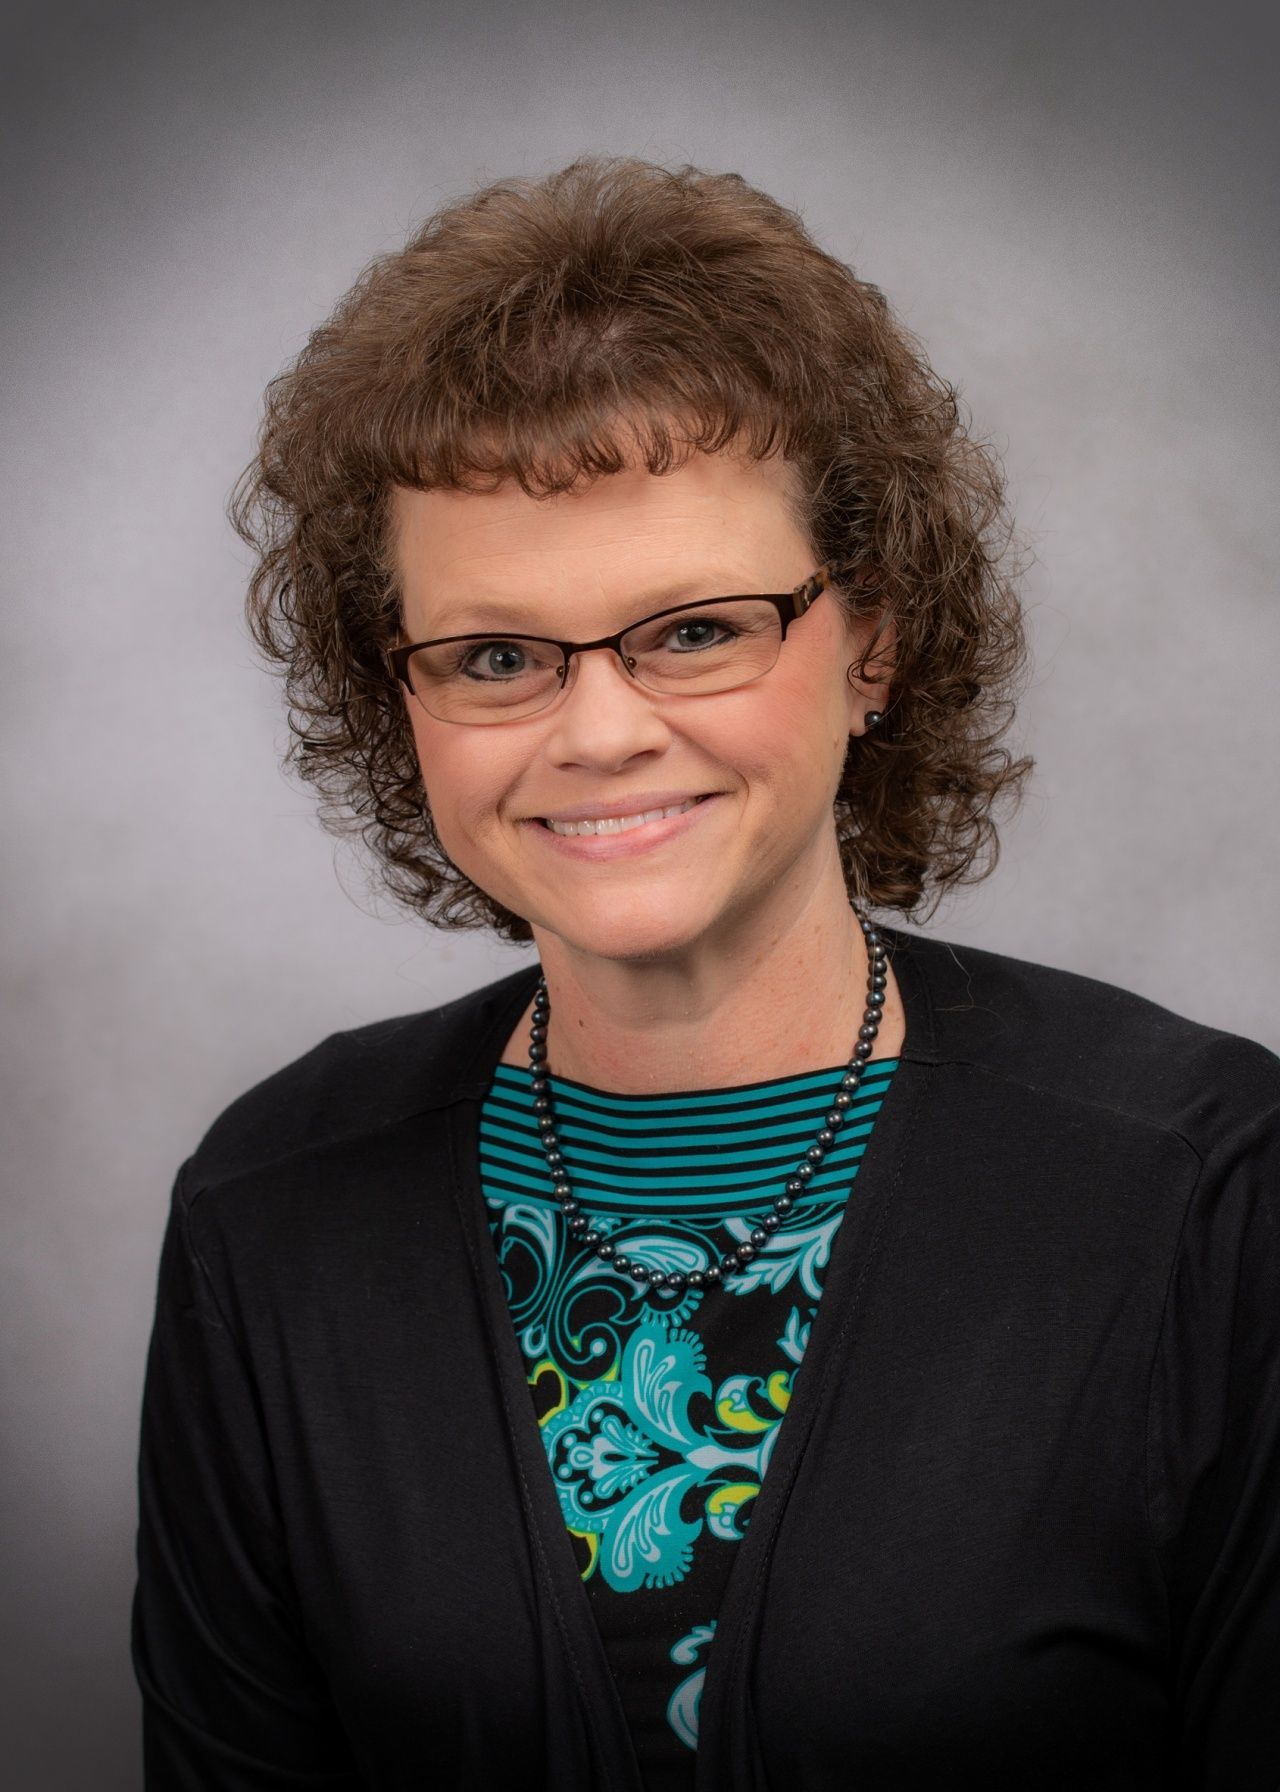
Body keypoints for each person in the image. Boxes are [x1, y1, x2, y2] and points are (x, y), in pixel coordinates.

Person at [131, 156, 1280, 1791]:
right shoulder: (271, 1211)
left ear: (871, 639)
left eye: (693, 630)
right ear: (401, 697)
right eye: (498, 656)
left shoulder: (1205, 1189)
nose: (599, 731)